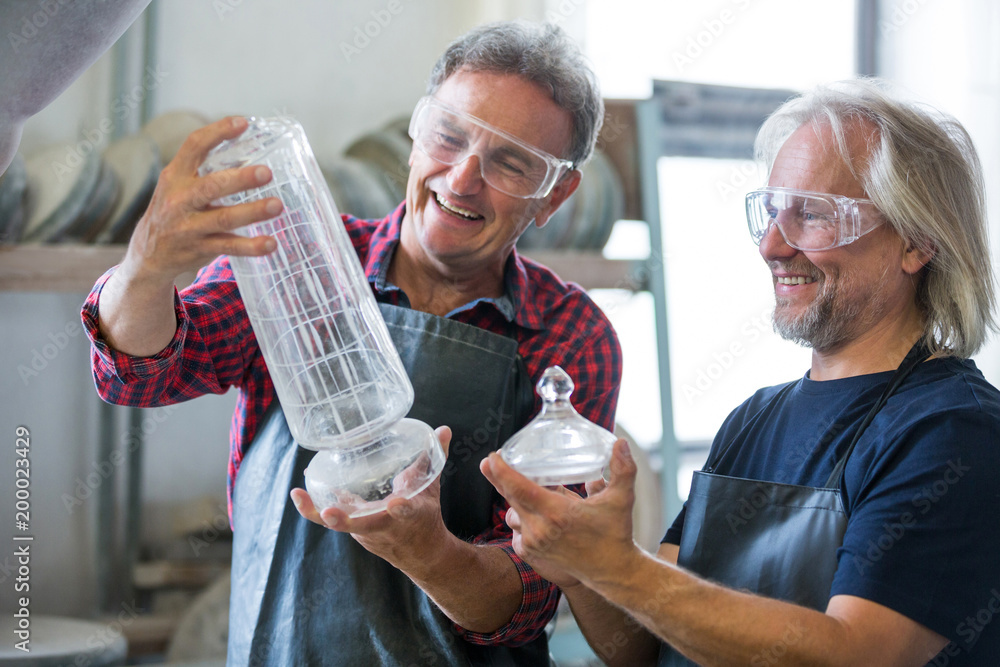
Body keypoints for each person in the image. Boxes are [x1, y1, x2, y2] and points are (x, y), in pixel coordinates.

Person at [81, 20, 622, 665]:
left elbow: (531, 597)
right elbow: (138, 376)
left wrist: (428, 551)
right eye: (449, 137)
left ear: (554, 195)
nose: (462, 179)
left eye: (511, 162)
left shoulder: (570, 337)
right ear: (416, 137)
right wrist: (147, 262)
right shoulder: (290, 258)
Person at [483, 79, 1000, 666]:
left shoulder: (956, 432)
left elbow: (855, 655)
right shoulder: (755, 419)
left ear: (916, 242)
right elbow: (645, 648)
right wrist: (583, 571)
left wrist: (620, 568)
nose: (772, 246)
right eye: (773, 212)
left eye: (813, 215)